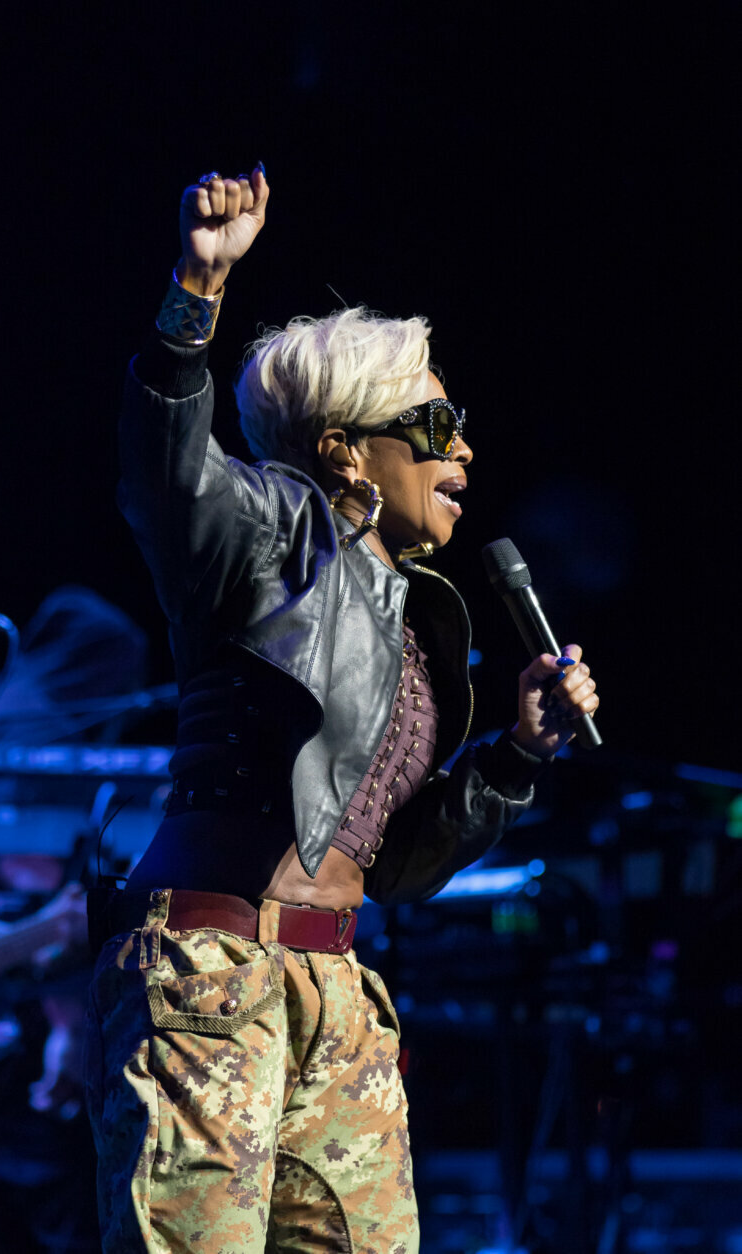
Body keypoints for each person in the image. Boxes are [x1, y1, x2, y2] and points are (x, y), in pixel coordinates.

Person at [85, 165, 599, 1254]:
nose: (463, 450)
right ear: (345, 449)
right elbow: (168, 477)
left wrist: (516, 753)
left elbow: (393, 859)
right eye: (437, 423)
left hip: (337, 987)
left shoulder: (418, 616)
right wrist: (194, 295)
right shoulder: (264, 533)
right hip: (211, 972)